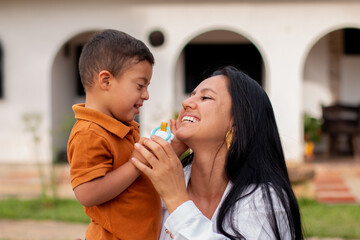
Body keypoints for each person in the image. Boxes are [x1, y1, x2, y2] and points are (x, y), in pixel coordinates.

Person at [132, 66, 304, 239]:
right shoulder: (164, 183)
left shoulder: (265, 200)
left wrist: (176, 200)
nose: (186, 103)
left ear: (237, 122)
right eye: (192, 95)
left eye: (205, 97)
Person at [67, 29, 162, 240]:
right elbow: (87, 193)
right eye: (140, 85)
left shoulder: (123, 126)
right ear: (106, 81)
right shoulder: (90, 132)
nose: (146, 95)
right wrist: (136, 164)